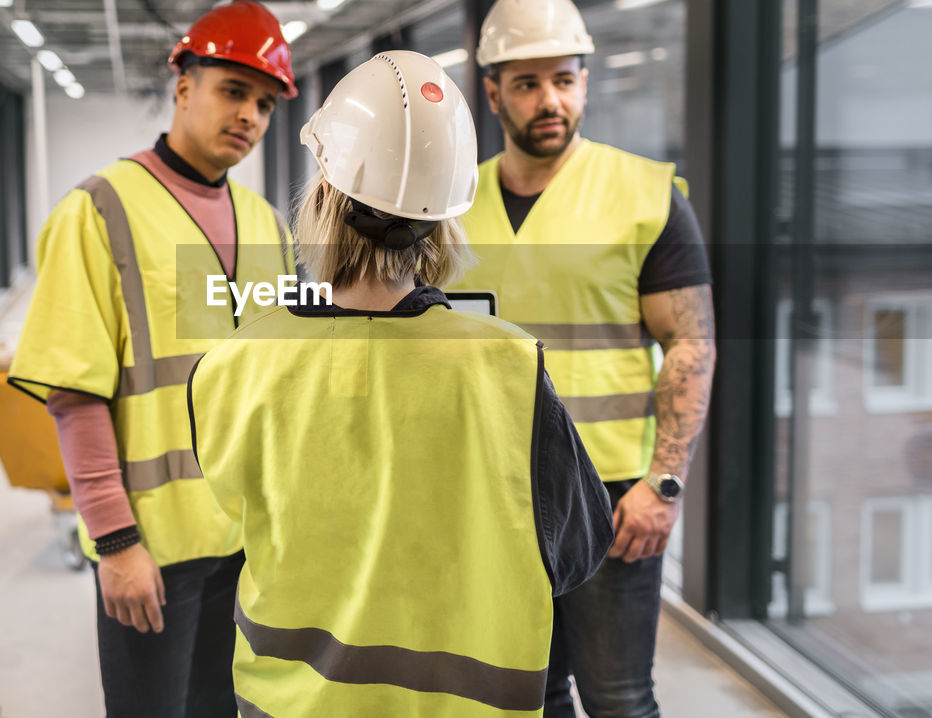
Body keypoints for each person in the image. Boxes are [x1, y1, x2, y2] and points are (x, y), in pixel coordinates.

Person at [188, 50, 614, 717]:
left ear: (324, 196)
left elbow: (231, 511)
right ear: (443, 220)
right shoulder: (508, 365)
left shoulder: (237, 362)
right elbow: (579, 549)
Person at [7, 0, 297, 718]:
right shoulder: (101, 208)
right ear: (184, 85)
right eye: (233, 91)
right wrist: (115, 543)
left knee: (222, 707)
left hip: (247, 538)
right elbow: (75, 395)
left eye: (263, 103)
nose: (250, 117)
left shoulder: (265, 223)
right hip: (153, 545)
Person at [450, 0, 717, 718]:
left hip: (611, 498)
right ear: (494, 91)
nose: (550, 102)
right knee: (525, 696)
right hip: (492, 494)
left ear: (585, 83)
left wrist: (663, 485)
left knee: (620, 699)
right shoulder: (452, 209)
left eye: (564, 81)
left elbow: (691, 340)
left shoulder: (645, 195)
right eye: (528, 83)